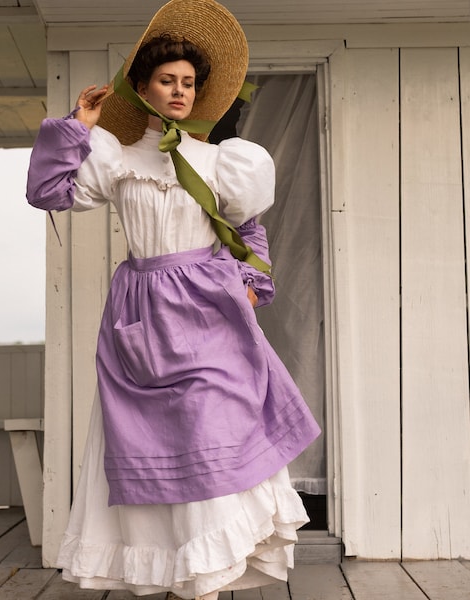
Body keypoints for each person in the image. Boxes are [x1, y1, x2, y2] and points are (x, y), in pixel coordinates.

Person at [26, 1, 321, 598]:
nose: (180, 91)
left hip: (209, 311)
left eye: (188, 82)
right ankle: (174, 570)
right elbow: (47, 192)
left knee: (212, 425)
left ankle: (210, 577)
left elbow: (246, 227)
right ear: (143, 89)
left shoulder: (221, 161)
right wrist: (80, 125)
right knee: (150, 438)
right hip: (140, 314)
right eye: (168, 80)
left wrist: (251, 283)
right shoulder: (117, 159)